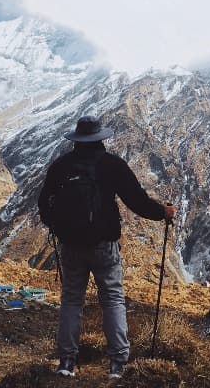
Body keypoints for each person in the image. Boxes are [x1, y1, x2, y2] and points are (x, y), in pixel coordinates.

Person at [38, 115, 176, 379]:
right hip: (104, 244)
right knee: (112, 298)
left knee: (71, 300)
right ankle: (117, 364)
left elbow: (43, 202)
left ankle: (66, 362)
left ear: (77, 139)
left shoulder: (62, 165)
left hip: (70, 245)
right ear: (101, 138)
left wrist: (57, 227)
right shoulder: (112, 165)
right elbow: (137, 200)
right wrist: (163, 213)